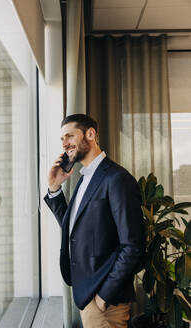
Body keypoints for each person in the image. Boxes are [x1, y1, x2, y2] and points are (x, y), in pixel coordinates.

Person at [44, 114, 145, 328]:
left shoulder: (117, 179)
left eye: (69, 136)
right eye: (61, 139)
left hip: (105, 303)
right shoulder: (85, 179)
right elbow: (73, 230)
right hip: (87, 295)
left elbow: (133, 246)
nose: (64, 144)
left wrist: (103, 297)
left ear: (90, 134)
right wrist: (54, 188)